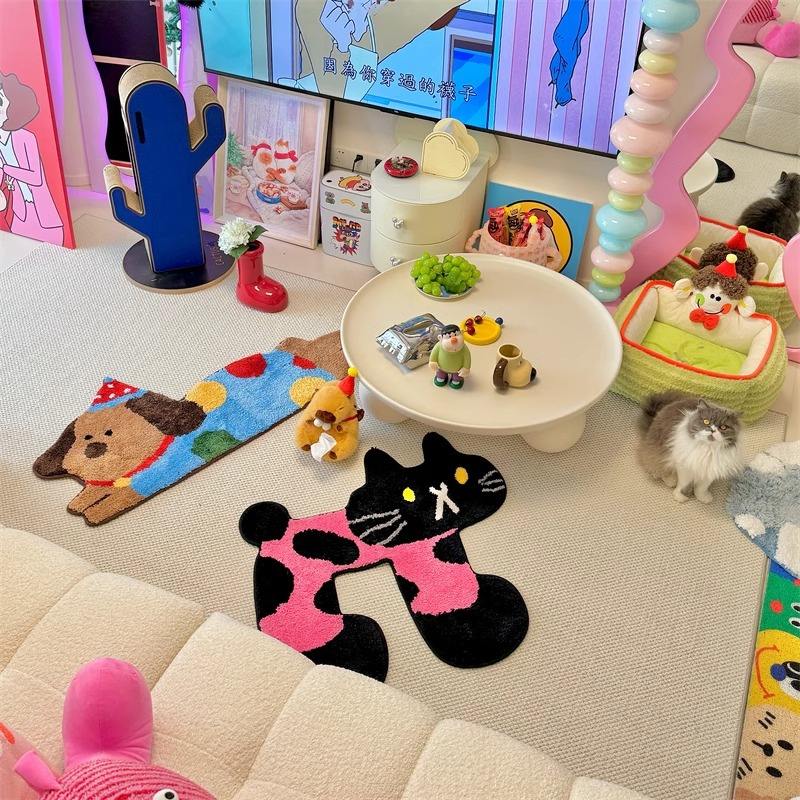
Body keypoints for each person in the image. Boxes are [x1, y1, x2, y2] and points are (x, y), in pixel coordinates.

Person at [0, 72, 64, 245]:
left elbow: (36, 177)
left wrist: (6, 168)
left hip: (42, 213)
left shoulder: (25, 137)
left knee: (54, 250)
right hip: (19, 212)